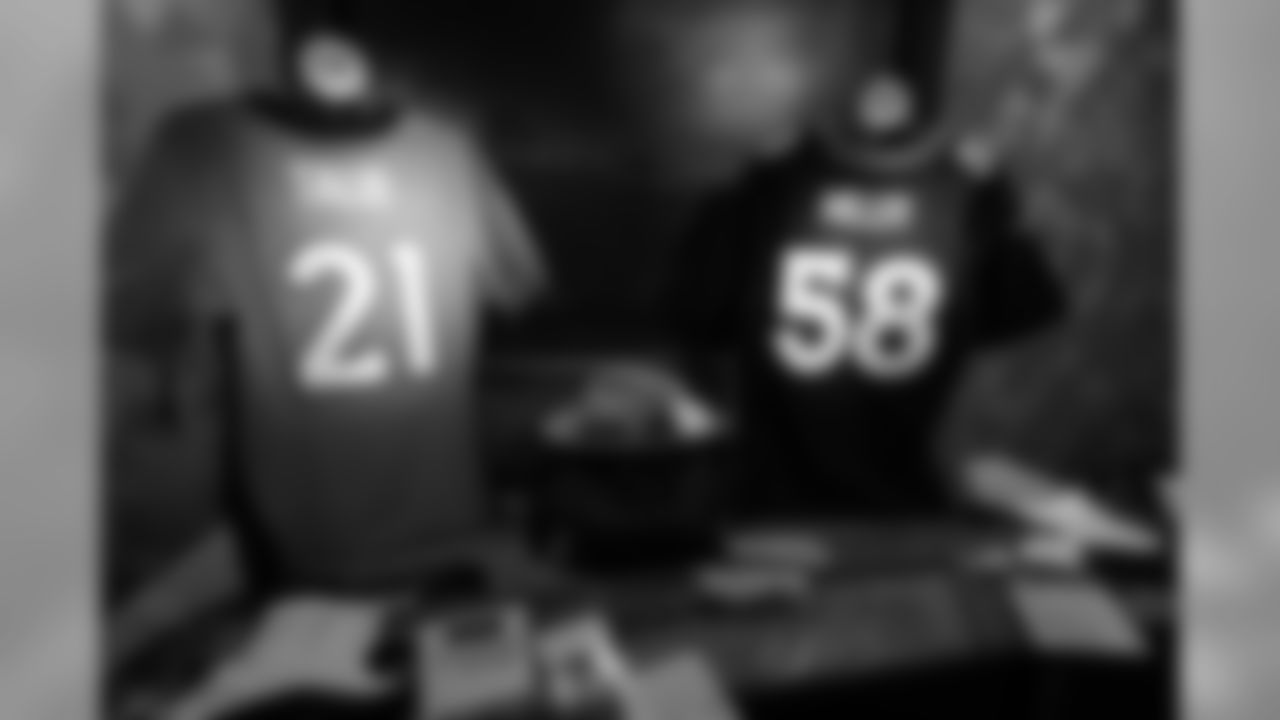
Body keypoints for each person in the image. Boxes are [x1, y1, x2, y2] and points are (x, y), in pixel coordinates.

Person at [107, 15, 548, 718]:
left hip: (308, 552)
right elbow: (518, 286)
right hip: (438, 536)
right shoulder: (445, 150)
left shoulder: (198, 147)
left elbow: (134, 317)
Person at [643, 72, 1068, 519]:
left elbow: (693, 316)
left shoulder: (775, 176)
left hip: (777, 501)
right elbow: (1029, 314)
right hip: (908, 501)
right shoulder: (967, 184)